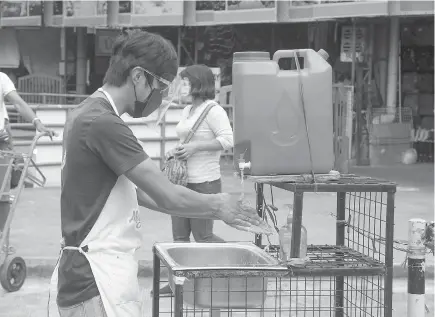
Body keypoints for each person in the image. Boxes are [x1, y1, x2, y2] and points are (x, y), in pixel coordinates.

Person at [56, 29, 271, 317]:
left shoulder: (84, 113)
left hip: (92, 273)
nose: (159, 97)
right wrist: (219, 205)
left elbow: (140, 192)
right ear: (137, 76)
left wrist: (207, 210)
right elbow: (166, 195)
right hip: (94, 279)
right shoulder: (103, 123)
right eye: (159, 86)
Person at [170, 65, 231, 243]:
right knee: (179, 237)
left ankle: (236, 261)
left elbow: (228, 140)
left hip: (204, 183)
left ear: (198, 84)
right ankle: (182, 272)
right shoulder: (187, 110)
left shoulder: (214, 110)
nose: (181, 86)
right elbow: (185, 139)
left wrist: (195, 147)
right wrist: (177, 149)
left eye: (185, 82)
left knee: (203, 237)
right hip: (180, 181)